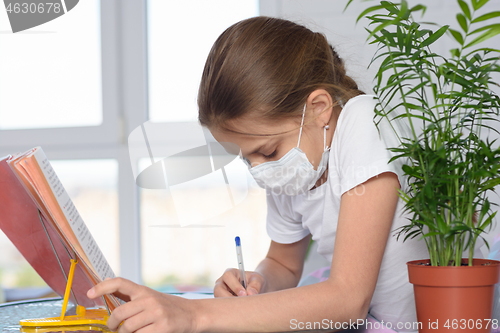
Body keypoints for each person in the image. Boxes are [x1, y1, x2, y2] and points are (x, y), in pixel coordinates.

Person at [88, 16, 429, 332]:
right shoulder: (296, 165)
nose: (259, 170)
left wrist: (193, 313)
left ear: (319, 108)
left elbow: (348, 300)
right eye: (246, 159)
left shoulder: (362, 123)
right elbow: (283, 264)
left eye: (266, 152)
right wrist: (258, 283)